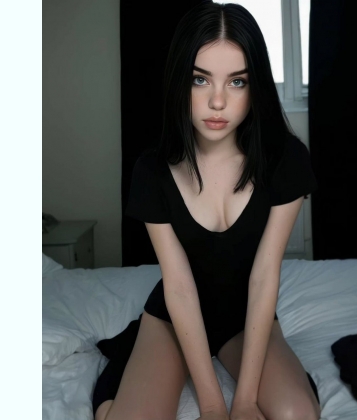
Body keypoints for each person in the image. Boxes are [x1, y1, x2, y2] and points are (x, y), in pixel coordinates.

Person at [92, 2, 320, 420]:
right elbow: (179, 286)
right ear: (180, 80)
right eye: (200, 79)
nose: (217, 101)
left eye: (237, 82)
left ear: (256, 86)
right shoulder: (152, 170)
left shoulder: (286, 160)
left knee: (297, 415)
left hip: (247, 317)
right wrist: (213, 406)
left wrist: (245, 401)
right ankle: (125, 361)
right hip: (172, 317)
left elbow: (265, 274)